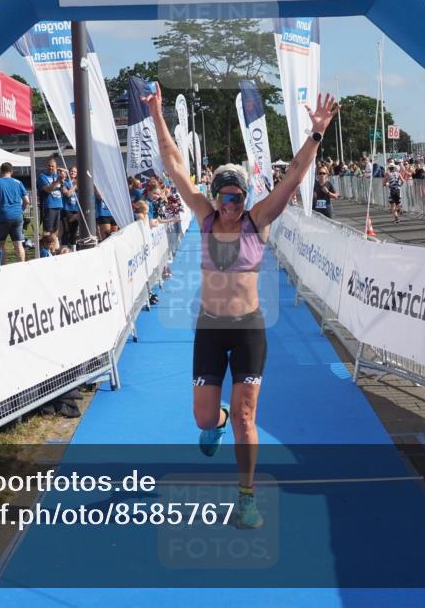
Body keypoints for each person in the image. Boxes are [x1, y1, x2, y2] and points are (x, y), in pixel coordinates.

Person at [144, 81, 339, 530]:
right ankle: (219, 417)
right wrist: (157, 114)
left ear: (246, 197)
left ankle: (247, 496)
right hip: (209, 328)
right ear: (215, 197)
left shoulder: (259, 220)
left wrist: (316, 134)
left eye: (238, 197)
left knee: (247, 419)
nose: (231, 205)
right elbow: (175, 166)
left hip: (249, 327)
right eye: (225, 196)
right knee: (205, 418)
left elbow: (291, 178)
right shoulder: (205, 217)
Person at [0, 162, 29, 264]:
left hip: (2, 216)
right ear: (11, 171)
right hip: (17, 216)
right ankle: (21, 265)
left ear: (1, 171)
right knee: (18, 244)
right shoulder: (18, 183)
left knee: (1, 244)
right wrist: (21, 210)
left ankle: (4, 267)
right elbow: (27, 201)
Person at [38, 157, 65, 234]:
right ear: (46, 166)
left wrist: (62, 181)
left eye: (53, 166)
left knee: (55, 231)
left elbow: (63, 190)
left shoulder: (57, 176)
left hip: (59, 205)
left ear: (56, 167)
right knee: (47, 231)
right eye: (49, 166)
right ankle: (45, 245)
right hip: (49, 206)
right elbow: (48, 189)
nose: (51, 168)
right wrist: (58, 181)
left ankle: (53, 246)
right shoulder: (42, 176)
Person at [61, 165, 80, 248]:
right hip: (66, 208)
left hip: (75, 209)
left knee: (74, 230)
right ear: (69, 172)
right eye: (71, 171)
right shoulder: (65, 182)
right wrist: (75, 186)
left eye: (75, 172)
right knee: (66, 230)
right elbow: (67, 194)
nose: (73, 173)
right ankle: (64, 248)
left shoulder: (79, 183)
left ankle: (73, 248)